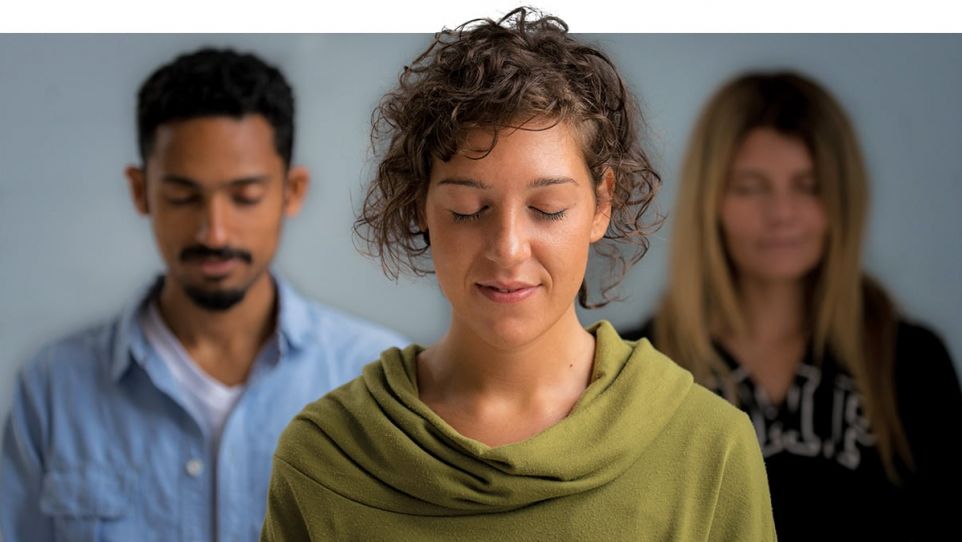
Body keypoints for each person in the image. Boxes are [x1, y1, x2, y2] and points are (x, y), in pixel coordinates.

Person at [260, 9, 776, 541]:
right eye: (466, 208)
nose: (507, 249)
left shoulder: (708, 449)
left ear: (602, 205)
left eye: (547, 208)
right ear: (420, 206)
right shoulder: (323, 458)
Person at [0, 47, 408, 542]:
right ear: (140, 191)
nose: (214, 232)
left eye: (245, 196)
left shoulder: (376, 381)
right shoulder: (52, 388)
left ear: (291, 191)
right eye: (183, 196)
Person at [622, 71, 962, 540]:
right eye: (751, 186)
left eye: (808, 185)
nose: (781, 213)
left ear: (842, 198)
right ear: (711, 200)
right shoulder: (639, 367)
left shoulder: (911, 363)